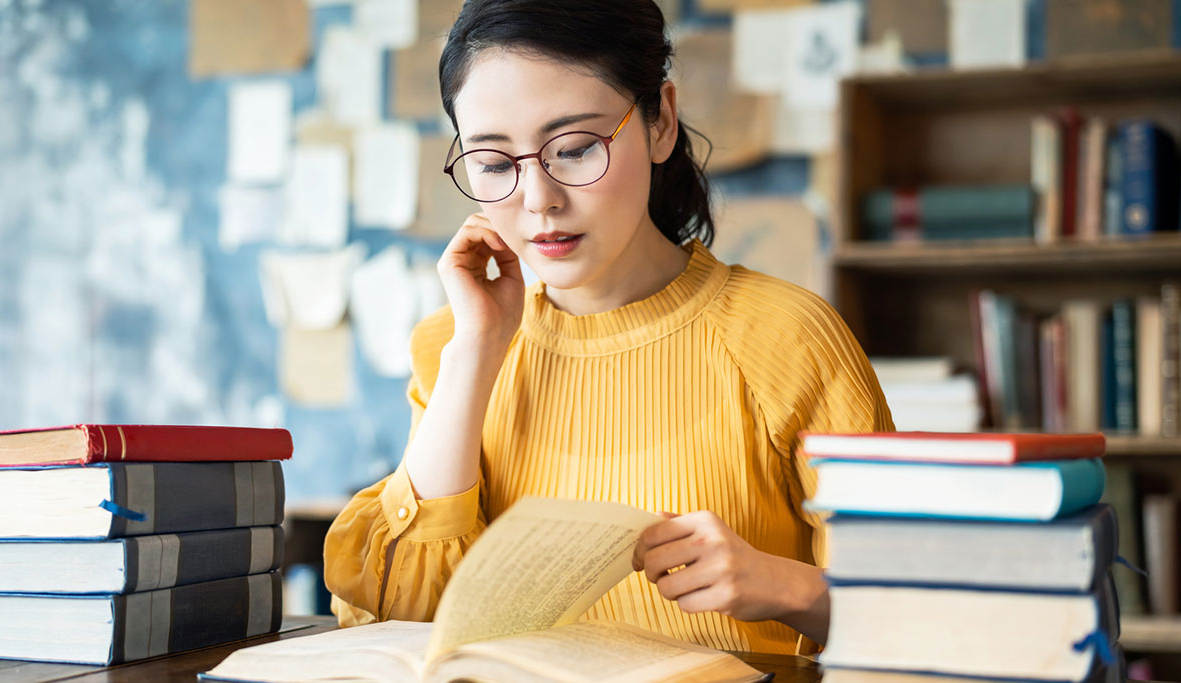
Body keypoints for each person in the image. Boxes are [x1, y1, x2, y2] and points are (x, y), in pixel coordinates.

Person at [324, 0, 894, 655]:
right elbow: (401, 612)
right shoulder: (453, 347)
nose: (539, 199)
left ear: (661, 122)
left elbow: (928, 622)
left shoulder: (787, 338)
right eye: (493, 162)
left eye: (574, 148)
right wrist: (476, 350)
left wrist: (785, 587)